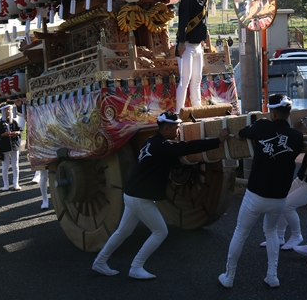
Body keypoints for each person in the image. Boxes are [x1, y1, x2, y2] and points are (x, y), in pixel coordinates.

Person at [92, 111, 227, 280]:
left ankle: (100, 261)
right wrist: (217, 141)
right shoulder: (163, 146)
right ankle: (136, 266)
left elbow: (164, 161)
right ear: (167, 128)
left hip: (131, 194)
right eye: (176, 127)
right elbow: (187, 147)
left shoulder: (149, 142)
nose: (178, 131)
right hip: (141, 199)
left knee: (123, 231)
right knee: (160, 232)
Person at [218, 94, 304, 289]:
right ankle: (272, 276)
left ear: (272, 113)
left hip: (255, 194)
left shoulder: (261, 127)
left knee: (241, 233)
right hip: (279, 197)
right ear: (289, 112)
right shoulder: (297, 137)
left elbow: (241, 134)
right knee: (271, 232)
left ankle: (229, 276)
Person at [175, 0, 217, 113]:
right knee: (185, 79)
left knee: (197, 79)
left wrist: (203, 38)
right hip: (186, 44)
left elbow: (203, 21)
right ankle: (179, 111)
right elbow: (183, 22)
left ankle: (196, 109)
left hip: (198, 45)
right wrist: (181, 42)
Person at [0, 104, 22, 191]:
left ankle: (16, 183)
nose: (9, 112)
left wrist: (16, 133)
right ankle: (6, 184)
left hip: (14, 145)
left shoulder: (13, 121)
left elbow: (20, 130)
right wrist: (3, 134)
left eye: (10, 110)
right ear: (2, 112)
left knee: (15, 165)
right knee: (5, 165)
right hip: (4, 146)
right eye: (8, 110)